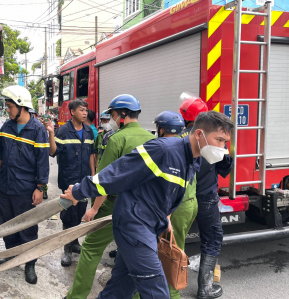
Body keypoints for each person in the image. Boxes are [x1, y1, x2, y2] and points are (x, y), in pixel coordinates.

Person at [61, 111, 233, 299]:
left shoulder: (193, 159)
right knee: (157, 293)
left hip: (149, 226)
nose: (223, 148)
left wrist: (166, 217)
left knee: (119, 291)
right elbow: (118, 173)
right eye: (219, 140)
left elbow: (167, 191)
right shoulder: (164, 150)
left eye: (225, 142)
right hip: (134, 226)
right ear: (199, 134)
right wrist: (78, 192)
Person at [64, 94, 154, 299]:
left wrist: (94, 209)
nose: (111, 119)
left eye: (112, 115)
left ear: (122, 115)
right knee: (134, 254)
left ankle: (76, 296)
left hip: (115, 206)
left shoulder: (116, 139)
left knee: (90, 249)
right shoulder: (151, 138)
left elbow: (103, 182)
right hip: (143, 208)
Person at [0, 85, 49, 284]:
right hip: (5, 186)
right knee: (7, 223)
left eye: (10, 106)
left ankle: (30, 263)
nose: (7, 109)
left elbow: (42, 161)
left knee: (28, 226)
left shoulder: (37, 129)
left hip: (25, 189)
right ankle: (12, 253)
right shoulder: (6, 126)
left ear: (22, 107)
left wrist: (40, 188)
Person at [179, 94, 233, 299]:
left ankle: (171, 284)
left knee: (175, 239)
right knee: (211, 239)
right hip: (206, 198)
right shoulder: (212, 140)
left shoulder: (176, 138)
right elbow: (226, 168)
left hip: (180, 199)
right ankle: (205, 289)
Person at [45, 99, 96, 267]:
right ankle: (67, 248)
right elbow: (53, 151)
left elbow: (91, 155)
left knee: (80, 211)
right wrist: (51, 133)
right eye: (81, 110)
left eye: (86, 110)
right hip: (68, 181)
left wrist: (93, 176)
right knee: (68, 215)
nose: (85, 113)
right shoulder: (63, 131)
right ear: (72, 112)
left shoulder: (89, 131)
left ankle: (74, 243)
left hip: (84, 181)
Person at [154, 110, 198, 299]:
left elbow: (170, 185)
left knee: (171, 254)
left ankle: (172, 294)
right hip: (190, 202)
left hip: (176, 207)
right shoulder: (188, 143)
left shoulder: (167, 149)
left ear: (162, 130)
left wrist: (167, 215)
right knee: (175, 248)